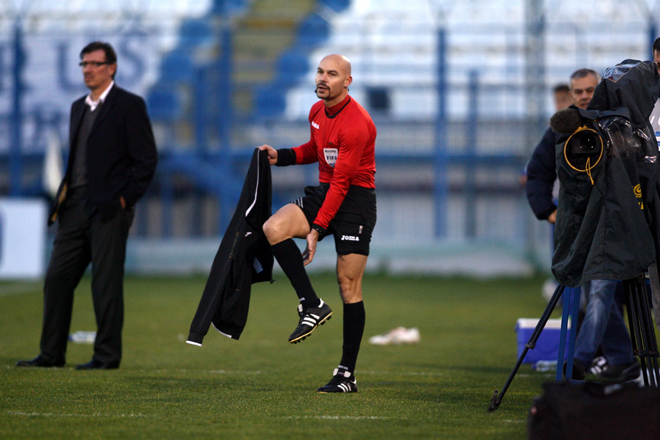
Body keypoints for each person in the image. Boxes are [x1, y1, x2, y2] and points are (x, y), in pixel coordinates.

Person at [16, 41, 158, 370]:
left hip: (109, 208)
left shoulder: (129, 105)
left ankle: (106, 356)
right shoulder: (78, 107)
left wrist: (124, 199)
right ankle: (51, 354)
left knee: (105, 283)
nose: (87, 69)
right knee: (56, 278)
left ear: (112, 68)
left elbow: (146, 160)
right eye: (84, 64)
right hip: (74, 206)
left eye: (94, 63)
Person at [259, 54, 376, 393]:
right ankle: (311, 303)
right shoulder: (316, 111)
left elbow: (343, 183)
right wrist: (281, 156)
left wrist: (317, 229)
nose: (323, 78)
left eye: (332, 74)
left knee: (348, 287)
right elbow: (316, 149)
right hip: (327, 191)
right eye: (320, 72)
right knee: (273, 228)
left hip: (355, 202)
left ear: (347, 82)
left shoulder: (357, 123)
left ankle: (346, 375)